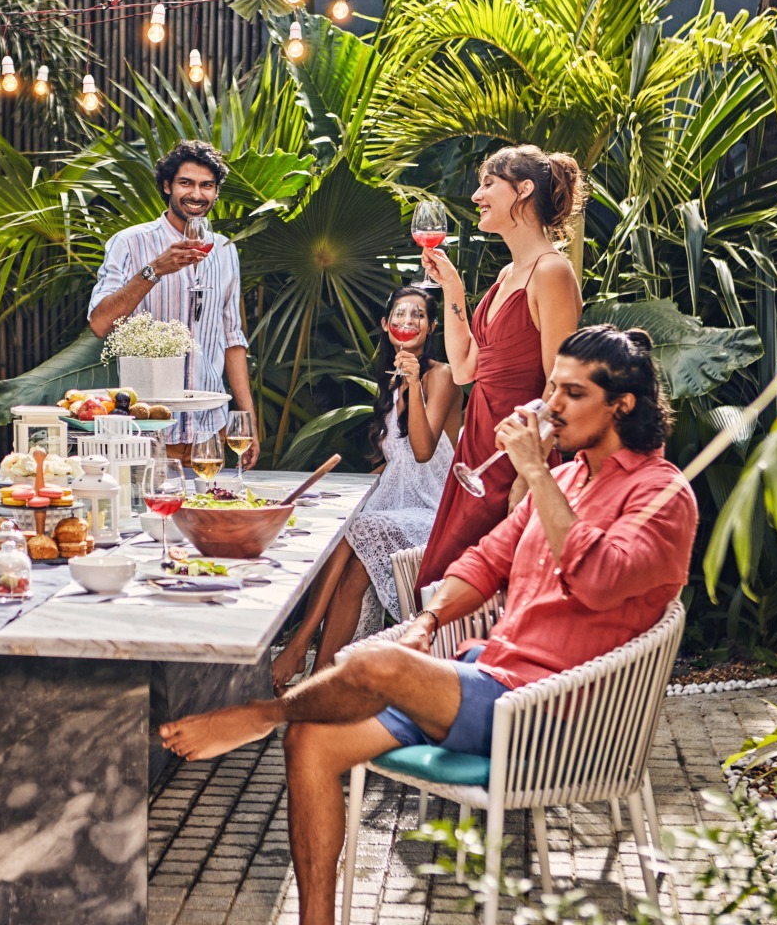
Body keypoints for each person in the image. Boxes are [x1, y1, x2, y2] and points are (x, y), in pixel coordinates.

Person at [160, 326, 698, 925]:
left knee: (371, 662)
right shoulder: (573, 478)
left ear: (622, 404)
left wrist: (536, 475)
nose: (550, 405)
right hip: (489, 682)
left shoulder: (662, 494)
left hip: (553, 718)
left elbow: (598, 576)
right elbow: (486, 559)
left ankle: (257, 715)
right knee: (312, 741)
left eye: (571, 393)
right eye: (551, 387)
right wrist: (427, 619)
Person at [414, 144, 585, 593]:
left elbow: (559, 384)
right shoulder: (508, 274)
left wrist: (530, 477)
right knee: (445, 581)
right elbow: (466, 367)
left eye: (489, 183)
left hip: (514, 458)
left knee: (481, 590)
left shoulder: (551, 272)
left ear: (524, 190)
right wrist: (451, 285)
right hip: (476, 453)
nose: (476, 196)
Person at [271, 287, 462, 689]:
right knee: (353, 557)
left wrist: (413, 385)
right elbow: (395, 464)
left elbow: (424, 453)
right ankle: (322, 678)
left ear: (430, 327)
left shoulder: (440, 375)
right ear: (385, 325)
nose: (407, 322)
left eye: (418, 316)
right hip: (397, 503)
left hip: (435, 509)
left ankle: (302, 644)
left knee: (359, 529)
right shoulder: (389, 381)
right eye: (400, 315)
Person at [87, 139, 258, 466]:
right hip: (145, 432)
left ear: (216, 193)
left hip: (209, 432)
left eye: (207, 185)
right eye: (186, 183)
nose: (197, 194)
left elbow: (232, 339)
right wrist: (155, 270)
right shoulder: (130, 242)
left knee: (209, 514)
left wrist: (246, 419)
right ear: (167, 186)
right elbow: (99, 323)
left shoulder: (224, 250)